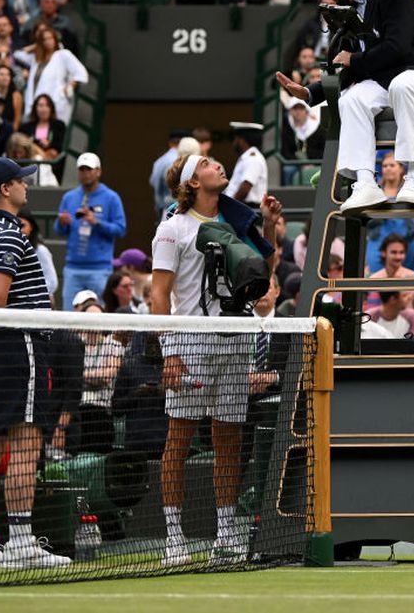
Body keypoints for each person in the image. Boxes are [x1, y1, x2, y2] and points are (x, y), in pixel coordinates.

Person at [152, 152, 281, 568]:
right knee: (179, 440)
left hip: (235, 342)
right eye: (207, 163)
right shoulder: (172, 229)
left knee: (229, 441)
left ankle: (225, 535)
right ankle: (174, 538)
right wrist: (170, 351)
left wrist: (270, 228)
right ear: (192, 182)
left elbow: (262, 272)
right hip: (190, 343)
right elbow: (159, 295)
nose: (218, 165)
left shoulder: (235, 223)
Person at [275, 0, 414, 212]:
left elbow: (397, 48)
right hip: (384, 81)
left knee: (402, 86)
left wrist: (354, 59)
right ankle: (365, 183)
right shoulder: (348, 6)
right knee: (351, 100)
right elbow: (350, 65)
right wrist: (311, 92)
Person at [0, 157, 70, 569]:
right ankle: (21, 542)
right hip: (18, 344)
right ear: (6, 189)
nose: (27, 185)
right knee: (26, 444)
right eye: (21, 181)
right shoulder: (8, 232)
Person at [55, 152, 126, 310]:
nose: (85, 173)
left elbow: (120, 229)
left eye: (89, 169)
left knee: (99, 313)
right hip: (73, 267)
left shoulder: (111, 197)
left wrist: (97, 223)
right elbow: (59, 230)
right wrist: (62, 223)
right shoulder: (69, 197)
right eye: (82, 170)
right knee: (68, 315)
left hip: (99, 268)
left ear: (98, 171)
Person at [226, 122, 267, 205]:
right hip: (243, 205)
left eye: (235, 139)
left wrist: (231, 207)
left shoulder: (253, 159)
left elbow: (245, 188)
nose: (233, 143)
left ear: (242, 140)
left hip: (248, 206)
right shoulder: (246, 157)